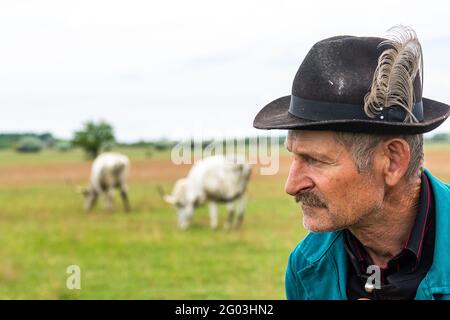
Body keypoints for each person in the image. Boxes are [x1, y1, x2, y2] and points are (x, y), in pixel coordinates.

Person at [253, 26, 450, 300]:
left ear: (392, 161)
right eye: (295, 156)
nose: (292, 185)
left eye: (315, 160)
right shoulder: (306, 267)